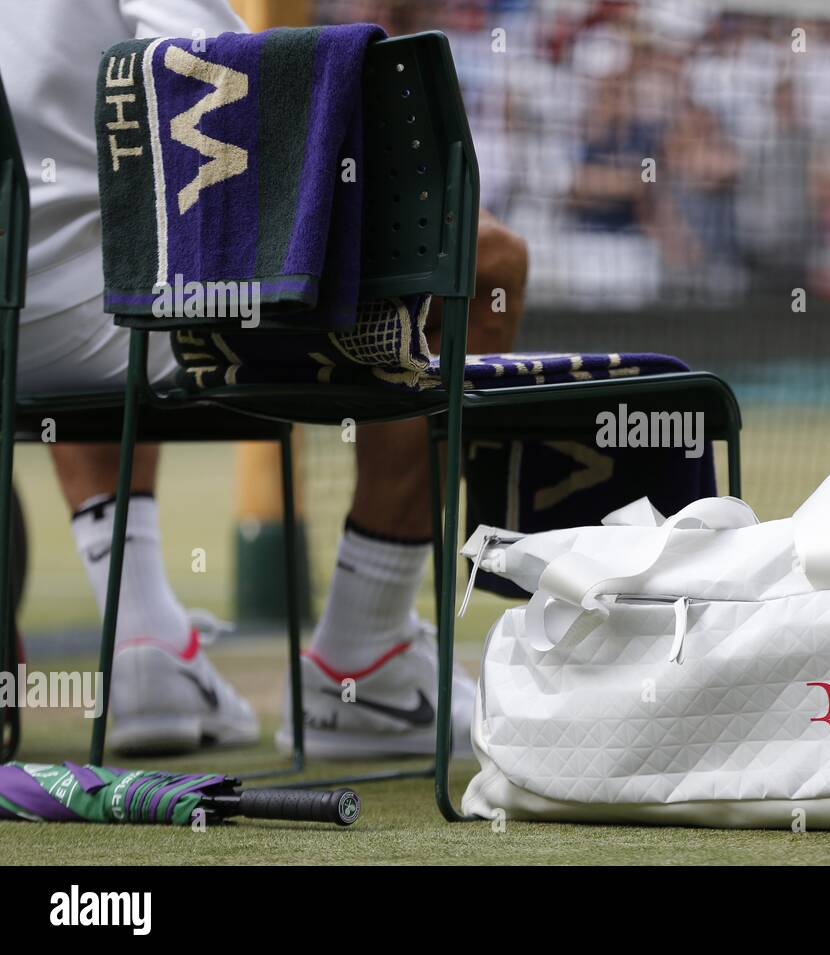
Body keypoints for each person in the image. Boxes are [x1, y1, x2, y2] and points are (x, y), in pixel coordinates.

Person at [0, 0, 528, 756]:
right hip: (138, 320)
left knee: (103, 236)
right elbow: (224, 76)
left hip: (18, 339)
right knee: (488, 261)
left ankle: (146, 648)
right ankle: (366, 652)